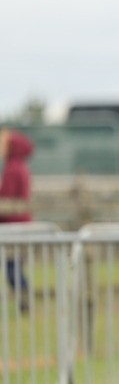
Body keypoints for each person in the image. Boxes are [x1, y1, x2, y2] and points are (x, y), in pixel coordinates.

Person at [0, 128, 35, 313]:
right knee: (14, 268)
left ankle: (25, 301)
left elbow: (7, 199)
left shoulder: (13, 168)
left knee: (13, 269)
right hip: (19, 224)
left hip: (14, 226)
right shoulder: (18, 166)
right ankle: (24, 302)